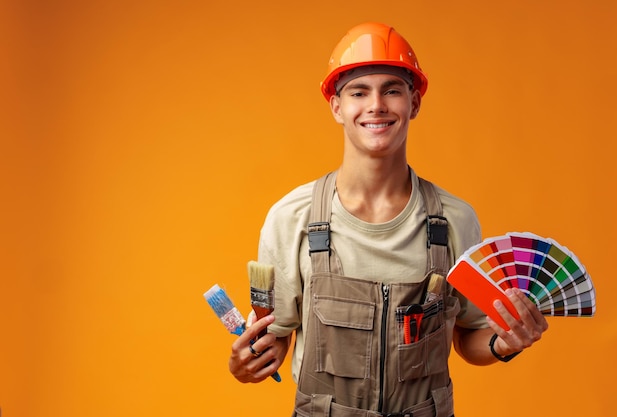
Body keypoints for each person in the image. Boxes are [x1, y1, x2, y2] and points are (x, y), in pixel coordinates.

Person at [228, 22, 548, 417]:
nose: (376, 104)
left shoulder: (454, 221)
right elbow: (274, 339)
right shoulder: (291, 218)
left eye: (392, 90)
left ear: (413, 103)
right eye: (359, 91)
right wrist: (247, 364)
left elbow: (469, 337)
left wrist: (507, 342)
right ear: (337, 107)